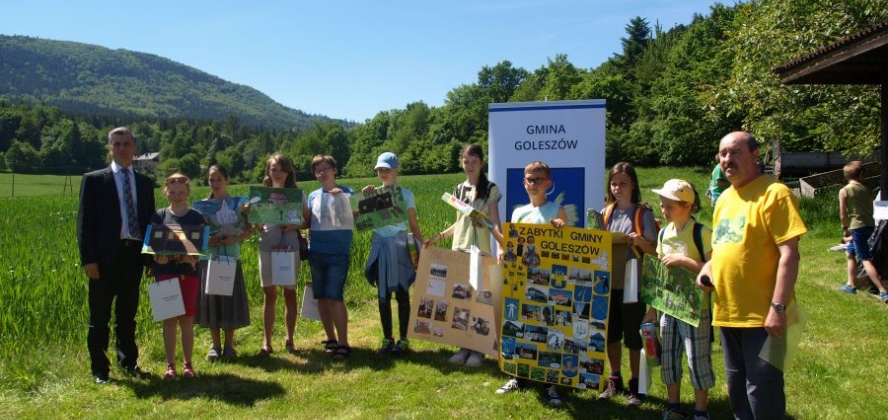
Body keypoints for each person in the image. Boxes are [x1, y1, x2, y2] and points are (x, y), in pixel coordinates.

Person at [696, 131, 807, 420]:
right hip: (727, 312)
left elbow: (790, 254)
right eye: (722, 154)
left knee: (763, 392)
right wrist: (708, 269)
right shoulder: (723, 200)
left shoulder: (775, 193)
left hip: (764, 317)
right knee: (737, 391)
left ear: (755, 155)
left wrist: (778, 308)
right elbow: (722, 248)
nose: (727, 159)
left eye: (735, 152)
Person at [77, 126, 155, 384]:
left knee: (127, 316)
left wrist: (150, 259)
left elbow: (149, 225)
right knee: (99, 317)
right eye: (117, 144)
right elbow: (84, 223)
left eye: (127, 144)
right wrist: (88, 259)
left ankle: (128, 363)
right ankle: (100, 369)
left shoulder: (144, 183)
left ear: (135, 148)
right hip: (102, 260)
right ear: (110, 147)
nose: (122, 148)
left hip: (132, 257)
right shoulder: (94, 180)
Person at [495, 161, 568, 407]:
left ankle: (550, 384)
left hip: (547, 284)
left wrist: (562, 230)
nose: (533, 183)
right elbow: (513, 246)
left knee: (548, 329)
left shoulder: (557, 211)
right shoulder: (518, 213)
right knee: (521, 326)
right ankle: (520, 377)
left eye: (539, 179)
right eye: (529, 179)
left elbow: (565, 247)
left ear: (548, 183)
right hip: (521, 281)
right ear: (524, 183)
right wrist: (504, 252)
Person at [424, 144, 503, 367]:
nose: (469, 166)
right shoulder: (458, 190)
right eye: (466, 161)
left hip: (480, 252)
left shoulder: (491, 190)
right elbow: (459, 223)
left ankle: (478, 350)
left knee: (479, 302)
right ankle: (463, 346)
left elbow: (494, 222)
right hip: (459, 250)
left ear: (482, 163)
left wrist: (502, 246)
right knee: (460, 300)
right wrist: (438, 237)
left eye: (473, 162)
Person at [646, 179, 715, 420]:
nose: (664, 211)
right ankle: (673, 406)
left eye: (669, 206)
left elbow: (713, 269)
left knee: (697, 358)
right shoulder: (663, 233)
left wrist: (684, 261)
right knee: (668, 358)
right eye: (662, 206)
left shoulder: (702, 233)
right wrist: (652, 309)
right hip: (668, 307)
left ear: (687, 205)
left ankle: (701, 410)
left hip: (696, 310)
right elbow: (657, 274)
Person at [598, 162, 657, 405]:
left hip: (633, 284)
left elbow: (655, 251)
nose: (618, 187)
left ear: (633, 184)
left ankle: (636, 384)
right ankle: (614, 379)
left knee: (633, 336)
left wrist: (640, 241)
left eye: (623, 183)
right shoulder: (605, 213)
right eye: (614, 183)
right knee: (611, 335)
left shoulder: (643, 214)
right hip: (608, 283)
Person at [364, 152, 423, 356]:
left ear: (396, 169)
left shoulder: (406, 195)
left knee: (402, 293)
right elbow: (359, 221)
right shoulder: (372, 194)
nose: (383, 173)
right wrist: (366, 200)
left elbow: (413, 225)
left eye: (387, 169)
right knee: (383, 294)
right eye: (380, 169)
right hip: (380, 248)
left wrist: (422, 249)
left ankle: (404, 339)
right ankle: (387, 338)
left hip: (399, 248)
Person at [197, 165, 252, 361]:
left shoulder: (238, 205)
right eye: (212, 179)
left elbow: (249, 230)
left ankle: (229, 346)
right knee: (213, 304)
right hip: (210, 259)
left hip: (231, 258)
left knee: (230, 302)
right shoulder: (201, 207)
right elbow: (196, 235)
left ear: (227, 180)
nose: (216, 183)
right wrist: (207, 241)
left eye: (219, 179)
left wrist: (234, 239)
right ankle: (215, 346)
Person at [151, 174, 203, 379]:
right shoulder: (158, 216)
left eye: (181, 192)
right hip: (164, 273)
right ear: (166, 192)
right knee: (169, 320)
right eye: (172, 192)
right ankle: (170, 365)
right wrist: (158, 259)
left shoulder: (196, 217)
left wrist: (191, 255)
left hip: (188, 274)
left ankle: (188, 364)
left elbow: (199, 247)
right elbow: (153, 247)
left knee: (187, 319)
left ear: (188, 192)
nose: (177, 196)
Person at [306, 155, 356, 359]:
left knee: (335, 296)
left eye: (326, 168)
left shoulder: (347, 192)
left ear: (335, 170)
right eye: (318, 170)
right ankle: (331, 339)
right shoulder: (312, 196)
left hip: (338, 252)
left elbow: (357, 216)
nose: (323, 172)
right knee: (322, 298)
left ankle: (343, 342)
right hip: (316, 251)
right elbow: (308, 221)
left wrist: (343, 200)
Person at [257, 153, 305, 356]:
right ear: (268, 171)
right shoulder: (260, 195)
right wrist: (252, 216)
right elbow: (258, 226)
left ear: (288, 172)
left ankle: (289, 339)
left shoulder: (296, 194)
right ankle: (266, 342)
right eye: (273, 169)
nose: (277, 173)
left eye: (281, 169)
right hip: (267, 246)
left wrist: (293, 225)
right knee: (269, 295)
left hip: (289, 247)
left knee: (289, 293)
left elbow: (307, 221)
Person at [837, 161, 888, 302]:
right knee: (850, 252)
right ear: (861, 174)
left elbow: (843, 213)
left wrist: (845, 228)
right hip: (870, 225)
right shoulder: (866, 188)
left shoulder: (845, 190)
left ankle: (883, 291)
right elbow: (873, 205)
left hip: (856, 227)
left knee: (865, 259)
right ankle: (851, 285)